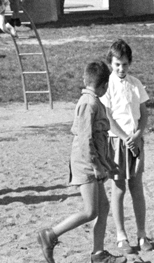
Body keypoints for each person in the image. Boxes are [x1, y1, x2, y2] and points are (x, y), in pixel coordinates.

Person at [37, 59, 121, 263]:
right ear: (104, 86)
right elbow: (85, 140)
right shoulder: (89, 104)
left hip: (94, 163)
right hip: (86, 164)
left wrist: (107, 163)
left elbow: (98, 138)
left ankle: (99, 254)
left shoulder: (94, 102)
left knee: (103, 207)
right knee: (90, 211)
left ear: (85, 79)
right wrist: (96, 166)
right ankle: (50, 235)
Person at [101, 38, 151, 255]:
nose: (121, 68)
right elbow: (109, 117)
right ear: (111, 63)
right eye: (117, 64)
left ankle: (142, 234)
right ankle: (121, 235)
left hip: (135, 142)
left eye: (125, 64)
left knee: (137, 187)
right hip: (116, 142)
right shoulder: (107, 86)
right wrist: (122, 137)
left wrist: (138, 135)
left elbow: (144, 114)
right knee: (119, 188)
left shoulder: (136, 84)